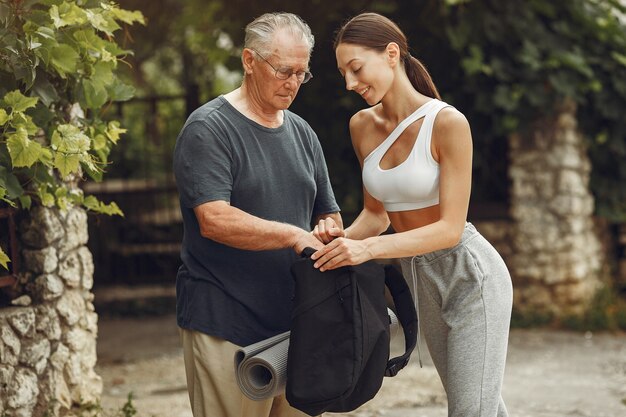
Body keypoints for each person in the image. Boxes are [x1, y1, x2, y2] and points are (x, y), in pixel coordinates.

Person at [311, 12, 512, 417]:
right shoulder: (362, 127)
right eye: (342, 74)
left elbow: (450, 229)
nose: (350, 84)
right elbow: (376, 214)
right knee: (477, 404)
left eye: (356, 69)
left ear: (390, 54)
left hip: (470, 276)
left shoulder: (447, 123)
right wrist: (341, 240)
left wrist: (368, 249)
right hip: (418, 278)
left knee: (471, 410)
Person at [172, 12, 341, 417]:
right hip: (227, 323)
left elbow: (329, 215)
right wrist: (292, 235)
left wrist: (328, 233)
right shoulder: (208, 129)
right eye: (284, 70)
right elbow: (214, 219)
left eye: (302, 73)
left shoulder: (302, 132)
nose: (293, 82)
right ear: (249, 60)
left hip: (298, 321)